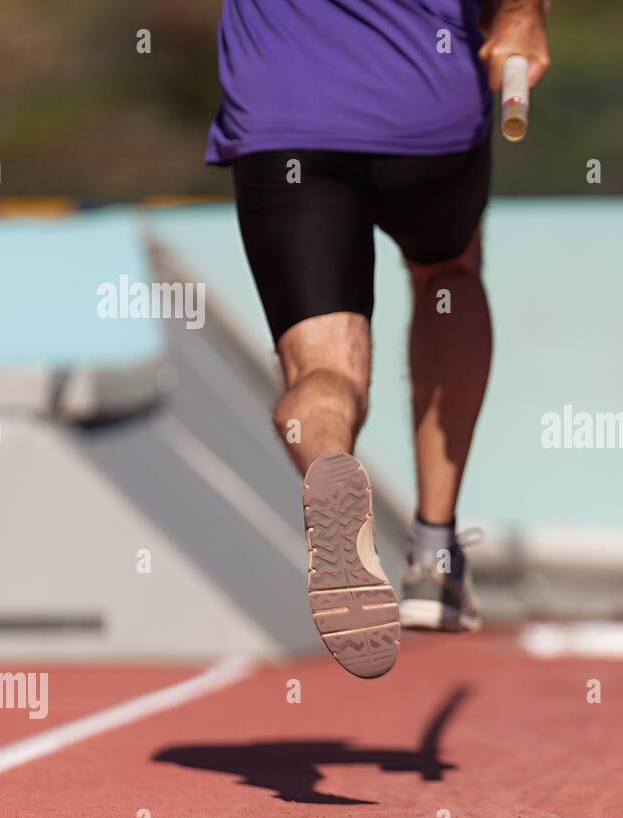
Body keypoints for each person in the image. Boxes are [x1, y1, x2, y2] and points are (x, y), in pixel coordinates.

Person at [205, 0, 551, 678]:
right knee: (448, 273)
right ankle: (434, 550)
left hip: (285, 117)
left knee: (323, 374)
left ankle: (331, 463)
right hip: (425, 108)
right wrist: (522, 13)